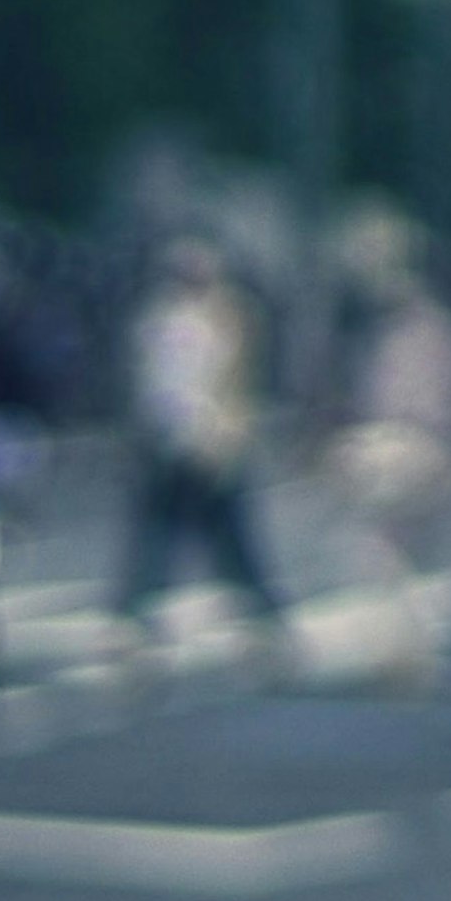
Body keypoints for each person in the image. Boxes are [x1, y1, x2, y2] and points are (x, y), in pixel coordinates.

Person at [119, 241, 282, 630]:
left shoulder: (232, 317)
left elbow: (240, 381)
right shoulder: (158, 318)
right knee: (158, 530)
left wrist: (230, 434)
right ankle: (135, 610)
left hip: (212, 442)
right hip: (168, 441)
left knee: (229, 532)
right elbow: (148, 380)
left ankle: (264, 612)